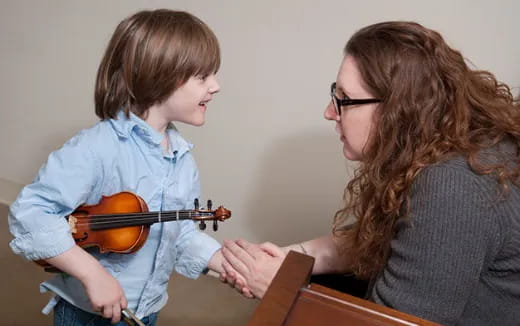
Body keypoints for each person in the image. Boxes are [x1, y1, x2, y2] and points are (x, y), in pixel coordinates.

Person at [221, 21, 520, 325]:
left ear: (398, 109)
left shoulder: (454, 185)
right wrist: (291, 258)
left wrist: (281, 288)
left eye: (344, 99)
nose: (329, 111)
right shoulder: (455, 148)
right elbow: (385, 241)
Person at [8, 9, 228, 326]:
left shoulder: (182, 159)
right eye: (203, 76)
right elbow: (30, 214)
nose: (216, 86)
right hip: (87, 314)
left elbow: (178, 233)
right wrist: (92, 273)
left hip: (145, 310)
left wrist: (223, 262)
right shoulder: (97, 148)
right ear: (161, 76)